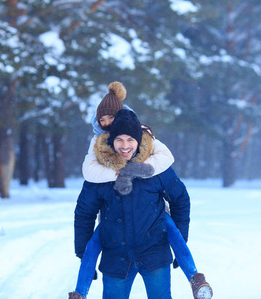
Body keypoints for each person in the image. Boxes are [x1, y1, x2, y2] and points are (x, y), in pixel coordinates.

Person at [70, 106, 213, 298]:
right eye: (119, 139)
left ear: (139, 141)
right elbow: (84, 213)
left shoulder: (156, 167)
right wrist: (82, 252)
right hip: (116, 257)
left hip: (154, 253)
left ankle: (195, 278)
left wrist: (180, 238)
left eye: (130, 139)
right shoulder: (100, 173)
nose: (125, 145)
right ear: (111, 141)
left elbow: (180, 199)